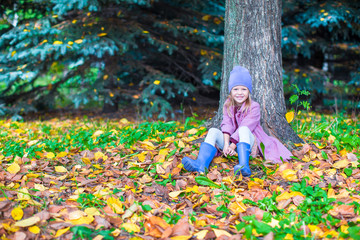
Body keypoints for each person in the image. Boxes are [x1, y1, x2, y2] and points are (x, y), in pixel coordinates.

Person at [182, 66, 293, 176]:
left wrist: (232, 146)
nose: (239, 93)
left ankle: (244, 167)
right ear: (231, 91)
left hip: (248, 143)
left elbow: (246, 126)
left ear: (249, 91)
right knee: (213, 131)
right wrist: (226, 144)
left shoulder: (254, 106)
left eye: (244, 89)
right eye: (235, 89)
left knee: (243, 129)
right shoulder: (228, 105)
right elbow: (227, 124)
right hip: (231, 143)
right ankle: (201, 164)